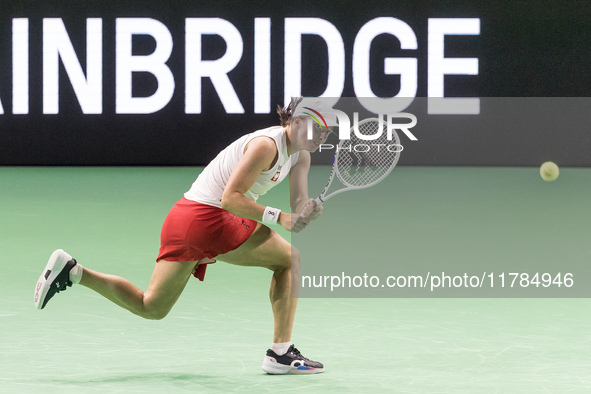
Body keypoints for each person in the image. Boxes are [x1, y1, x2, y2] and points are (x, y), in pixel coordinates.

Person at [34, 98, 334, 375]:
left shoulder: (300, 157)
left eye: (325, 132)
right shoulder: (266, 146)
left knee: (151, 307)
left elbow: (298, 204)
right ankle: (280, 354)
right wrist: (279, 217)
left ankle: (73, 271)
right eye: (316, 128)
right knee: (289, 260)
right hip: (210, 217)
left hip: (184, 218)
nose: (321, 136)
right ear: (294, 122)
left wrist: (305, 211)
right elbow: (231, 198)